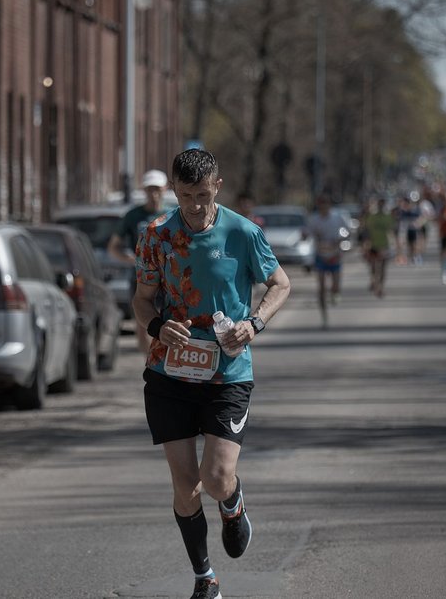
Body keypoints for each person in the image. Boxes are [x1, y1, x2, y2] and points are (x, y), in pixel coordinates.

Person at [133, 149, 291, 599]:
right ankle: (206, 578)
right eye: (186, 197)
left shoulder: (243, 232)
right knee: (186, 487)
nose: (195, 206)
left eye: (203, 195)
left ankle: (233, 503)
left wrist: (254, 322)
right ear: (174, 193)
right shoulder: (157, 236)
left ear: (217, 187)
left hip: (228, 373)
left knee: (217, 478)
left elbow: (280, 283)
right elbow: (143, 300)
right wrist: (158, 325)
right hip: (171, 372)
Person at [108, 169, 172, 351]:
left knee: (169, 318)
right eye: (150, 189)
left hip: (168, 277)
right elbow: (113, 246)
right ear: (144, 190)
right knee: (143, 321)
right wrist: (128, 259)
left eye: (157, 189)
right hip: (141, 277)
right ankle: (149, 360)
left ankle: (167, 359)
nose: (153, 193)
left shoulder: (172, 215)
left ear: (165, 189)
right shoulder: (133, 216)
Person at [304, 193, 349, 328]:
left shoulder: (337, 217)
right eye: (321, 205)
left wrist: (340, 240)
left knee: (335, 286)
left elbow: (347, 231)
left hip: (335, 255)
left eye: (325, 205)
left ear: (329, 206)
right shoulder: (314, 219)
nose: (323, 208)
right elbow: (307, 233)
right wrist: (306, 235)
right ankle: (324, 318)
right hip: (321, 256)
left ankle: (335, 293)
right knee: (321, 288)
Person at [359, 197, 396, 298]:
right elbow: (365, 230)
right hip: (373, 245)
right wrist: (365, 245)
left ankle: (381, 287)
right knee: (374, 267)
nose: (380, 206)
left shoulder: (388, 216)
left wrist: (395, 244)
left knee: (383, 268)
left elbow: (391, 231)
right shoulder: (371, 216)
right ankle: (375, 283)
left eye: (382, 204)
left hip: (385, 245)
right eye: (379, 204)